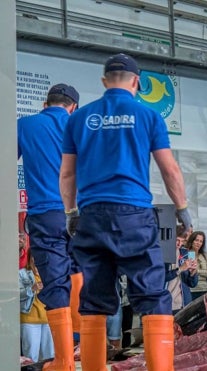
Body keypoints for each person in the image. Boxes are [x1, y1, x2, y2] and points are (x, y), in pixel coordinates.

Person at [61, 53, 192, 370]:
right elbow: (169, 169)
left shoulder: (79, 118)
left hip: (91, 216)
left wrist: (70, 212)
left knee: (94, 299)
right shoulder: (148, 116)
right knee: (152, 295)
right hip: (134, 215)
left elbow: (67, 174)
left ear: (105, 81)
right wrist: (183, 210)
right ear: (136, 82)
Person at [18, 83, 80, 370]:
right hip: (83, 216)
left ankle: (64, 361)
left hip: (46, 214)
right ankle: (87, 354)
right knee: (82, 275)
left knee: (56, 283)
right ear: (73, 106)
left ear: (45, 103)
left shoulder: (26, 125)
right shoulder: (81, 125)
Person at [20, 248, 55, 362]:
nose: (36, 261)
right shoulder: (21, 274)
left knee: (49, 357)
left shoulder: (50, 275)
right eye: (33, 258)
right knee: (31, 357)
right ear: (29, 258)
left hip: (49, 321)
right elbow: (17, 295)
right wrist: (32, 289)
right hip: (29, 321)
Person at [187, 231, 207, 300]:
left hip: (205, 289)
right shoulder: (187, 254)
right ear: (192, 241)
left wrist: (198, 271)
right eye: (196, 240)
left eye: (201, 241)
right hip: (191, 290)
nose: (198, 243)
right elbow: (189, 274)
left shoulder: (205, 255)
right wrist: (204, 274)